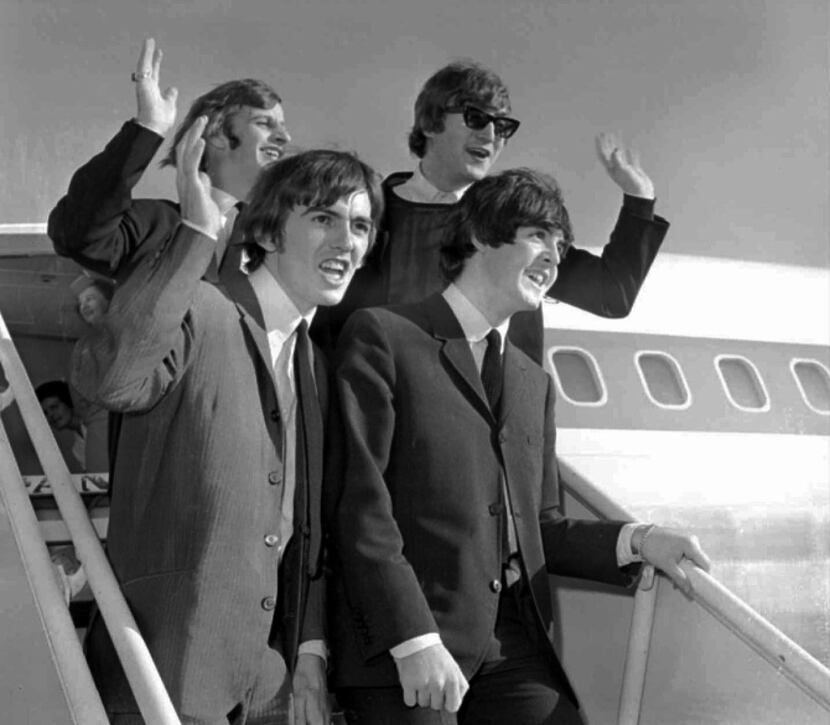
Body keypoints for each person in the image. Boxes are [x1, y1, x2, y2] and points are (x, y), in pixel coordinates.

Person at [329, 168, 710, 724]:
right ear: (482, 235)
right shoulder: (383, 336)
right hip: (404, 645)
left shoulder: (533, 383)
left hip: (511, 644)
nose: (554, 257)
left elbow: (542, 527)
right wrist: (413, 639)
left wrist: (639, 541)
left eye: (561, 245)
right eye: (539, 236)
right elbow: (359, 507)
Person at [70, 113, 384, 725]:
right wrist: (194, 231)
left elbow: (303, 530)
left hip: (269, 686)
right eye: (323, 218)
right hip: (160, 675)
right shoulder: (203, 306)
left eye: (361, 225)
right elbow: (113, 379)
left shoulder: (314, 362)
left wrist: (311, 650)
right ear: (265, 232)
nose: (347, 242)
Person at [321, 60, 668, 364]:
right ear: (429, 123)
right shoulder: (366, 212)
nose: (490, 135)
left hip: (491, 417)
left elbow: (611, 294)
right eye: (475, 118)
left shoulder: (516, 222)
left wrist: (639, 198)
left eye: (502, 127)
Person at [48, 37, 291, 282]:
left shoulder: (286, 235)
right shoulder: (156, 226)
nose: (285, 137)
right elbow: (80, 234)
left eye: (282, 127)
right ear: (218, 135)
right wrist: (148, 129)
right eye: (264, 123)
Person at [35, 379, 107, 473]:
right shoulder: (77, 449)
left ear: (68, 401)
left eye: (54, 407)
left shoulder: (97, 425)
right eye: (45, 413)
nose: (51, 415)